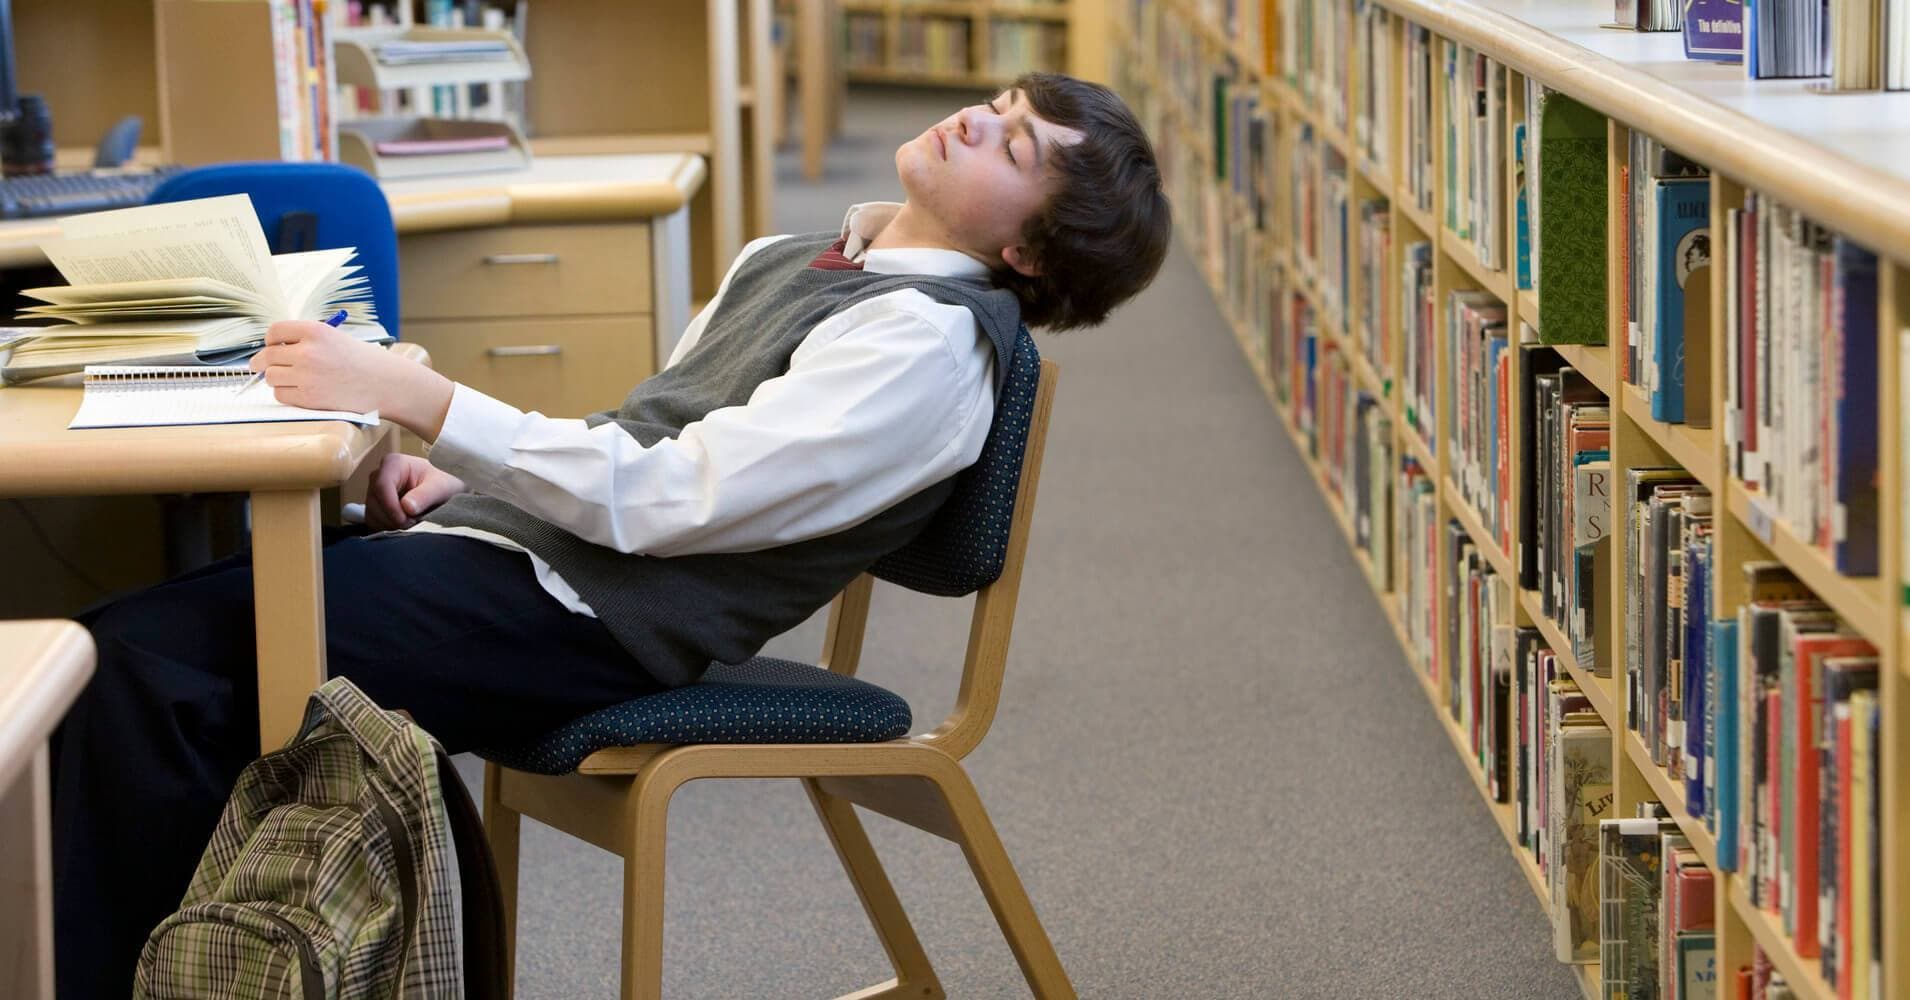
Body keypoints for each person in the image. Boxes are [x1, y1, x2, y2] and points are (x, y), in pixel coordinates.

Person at [51, 71, 1170, 997]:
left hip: (588, 622)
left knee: (136, 676)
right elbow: (645, 425)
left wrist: (425, 399)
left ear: (1026, 253)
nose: (977, 116)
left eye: (1014, 146)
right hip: (529, 566)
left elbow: (670, 499)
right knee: (113, 645)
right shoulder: (794, 259)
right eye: (1002, 101)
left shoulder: (925, 350)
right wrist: (456, 475)